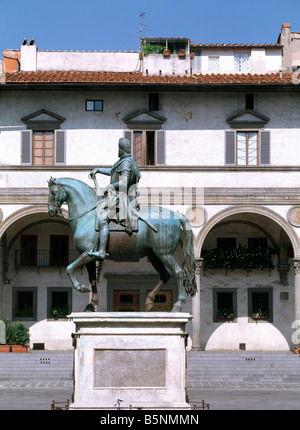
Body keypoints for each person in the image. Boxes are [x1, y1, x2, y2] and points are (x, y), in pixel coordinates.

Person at [88, 137, 141, 260]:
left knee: (102, 219)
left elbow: (124, 183)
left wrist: (110, 186)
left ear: (121, 148)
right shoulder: (124, 162)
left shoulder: (127, 163)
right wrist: (98, 170)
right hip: (117, 196)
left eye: (119, 147)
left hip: (121, 198)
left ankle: (101, 251)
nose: (118, 149)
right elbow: (113, 172)